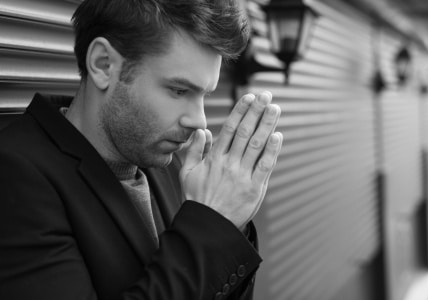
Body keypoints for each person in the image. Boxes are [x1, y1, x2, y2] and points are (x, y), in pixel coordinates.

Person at [0, 0, 283, 299]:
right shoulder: (15, 174)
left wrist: (231, 225)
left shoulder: (170, 163)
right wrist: (213, 225)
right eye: (179, 90)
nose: (199, 120)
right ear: (103, 65)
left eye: (205, 94)